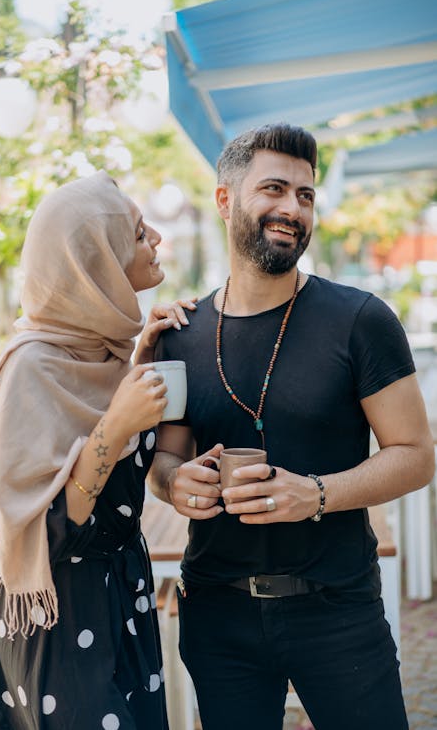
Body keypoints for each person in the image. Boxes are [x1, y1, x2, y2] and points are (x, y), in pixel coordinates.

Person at [148, 123, 436, 730]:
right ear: (225, 200)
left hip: (338, 611)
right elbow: (165, 463)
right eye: (274, 189)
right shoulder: (181, 333)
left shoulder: (361, 319)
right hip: (218, 613)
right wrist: (178, 485)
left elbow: (416, 453)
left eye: (304, 195)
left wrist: (319, 494)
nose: (292, 209)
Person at [0, 171, 195, 729]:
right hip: (63, 621)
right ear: (96, 267)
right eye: (141, 235)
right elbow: (46, 531)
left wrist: (142, 357)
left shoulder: (104, 356)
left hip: (124, 597)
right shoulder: (30, 368)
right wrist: (114, 427)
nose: (157, 242)